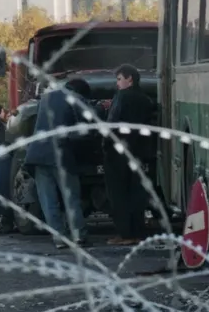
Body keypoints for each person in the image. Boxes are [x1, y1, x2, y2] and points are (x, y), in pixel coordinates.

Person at [24, 78, 91, 249]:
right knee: (70, 197)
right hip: (60, 155)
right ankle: (78, 236)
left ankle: (59, 238)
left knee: (48, 200)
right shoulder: (76, 98)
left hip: (37, 154)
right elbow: (85, 129)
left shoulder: (46, 98)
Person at [103, 64, 154, 245]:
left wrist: (105, 144)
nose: (117, 84)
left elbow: (112, 124)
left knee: (118, 195)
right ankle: (138, 232)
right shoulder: (145, 99)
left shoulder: (121, 97)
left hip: (118, 154)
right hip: (139, 153)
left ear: (129, 78)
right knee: (137, 195)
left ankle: (124, 234)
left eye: (119, 79)